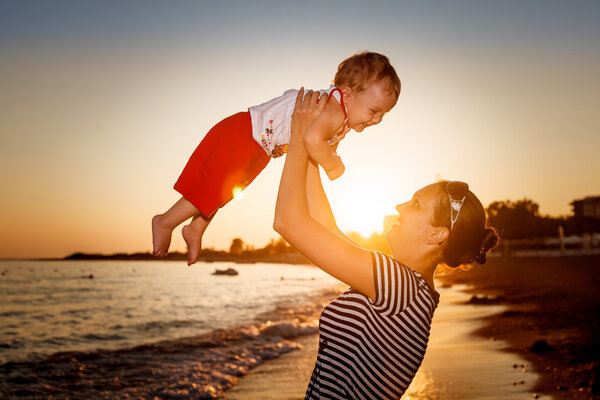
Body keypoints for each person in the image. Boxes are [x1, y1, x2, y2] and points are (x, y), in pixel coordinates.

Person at [273, 89, 499, 399]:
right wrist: (314, 144)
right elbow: (324, 224)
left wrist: (300, 134)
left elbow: (288, 222)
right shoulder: (410, 291)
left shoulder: (401, 287)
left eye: (416, 204)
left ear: (437, 235)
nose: (400, 206)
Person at [152, 51, 401, 265]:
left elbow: (318, 141)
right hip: (245, 133)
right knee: (217, 186)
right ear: (347, 94)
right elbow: (313, 140)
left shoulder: (339, 114)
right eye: (374, 111)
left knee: (226, 190)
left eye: (383, 115)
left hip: (259, 145)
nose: (376, 120)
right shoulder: (333, 110)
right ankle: (165, 221)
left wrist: (329, 150)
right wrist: (333, 165)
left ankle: (196, 227)